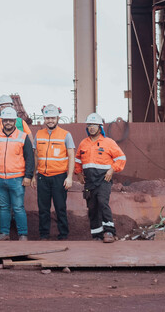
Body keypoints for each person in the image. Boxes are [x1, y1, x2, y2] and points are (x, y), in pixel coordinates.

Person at [75, 112, 126, 243]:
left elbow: (121, 158)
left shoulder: (109, 143)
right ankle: (97, 234)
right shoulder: (83, 144)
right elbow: (78, 160)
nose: (91, 127)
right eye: (89, 125)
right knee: (92, 208)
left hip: (104, 180)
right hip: (89, 182)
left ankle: (109, 232)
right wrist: (79, 173)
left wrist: (112, 170)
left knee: (103, 203)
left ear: (100, 127)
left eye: (94, 125)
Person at [0, 108, 34, 241]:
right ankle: (4, 233)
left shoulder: (22, 136)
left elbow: (30, 157)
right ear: (2, 121)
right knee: (3, 208)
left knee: (18, 207)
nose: (7, 122)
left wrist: (28, 176)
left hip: (17, 179)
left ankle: (23, 234)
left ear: (15, 121)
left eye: (10, 120)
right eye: (5, 120)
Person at [35, 104, 75, 240]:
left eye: (52, 118)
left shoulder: (65, 135)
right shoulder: (39, 134)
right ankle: (44, 234)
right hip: (42, 177)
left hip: (59, 177)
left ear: (58, 118)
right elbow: (36, 156)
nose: (50, 120)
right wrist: (34, 175)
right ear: (44, 119)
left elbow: (71, 156)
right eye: (47, 118)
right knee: (43, 209)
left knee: (60, 208)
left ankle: (63, 234)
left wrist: (69, 177)